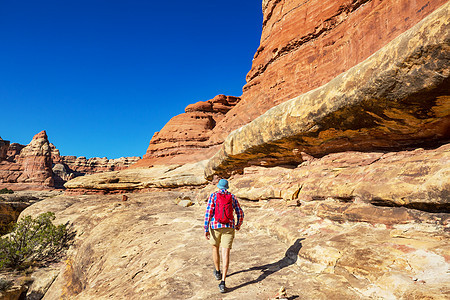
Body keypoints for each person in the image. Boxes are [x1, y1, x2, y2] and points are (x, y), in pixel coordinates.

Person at [204, 179, 244, 293]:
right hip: (229, 226)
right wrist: (238, 224)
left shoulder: (214, 196)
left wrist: (206, 228)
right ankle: (223, 282)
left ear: (219, 187)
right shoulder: (232, 197)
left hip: (215, 226)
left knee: (215, 248)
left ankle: (217, 271)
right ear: (227, 187)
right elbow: (240, 212)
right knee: (225, 253)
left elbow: (209, 212)